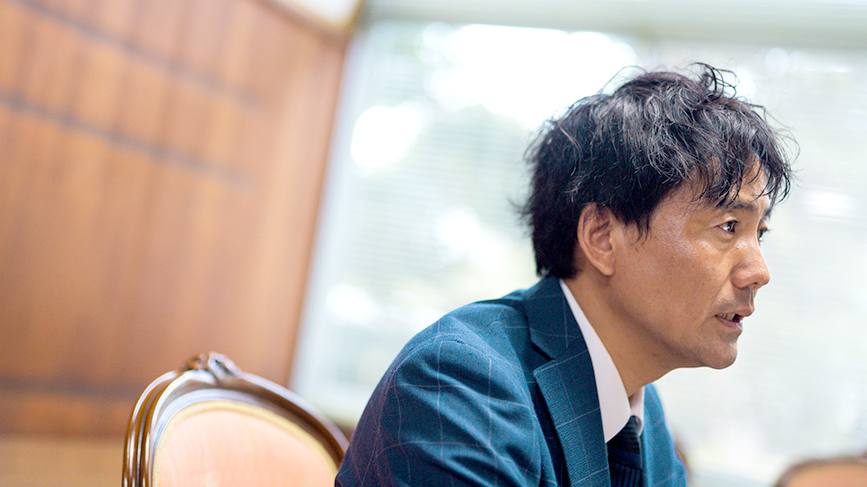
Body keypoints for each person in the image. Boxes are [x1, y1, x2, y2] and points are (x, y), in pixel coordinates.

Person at [335, 64, 794, 487]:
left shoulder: (641, 409)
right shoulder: (460, 382)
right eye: (728, 226)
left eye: (760, 233)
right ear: (602, 237)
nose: (759, 271)